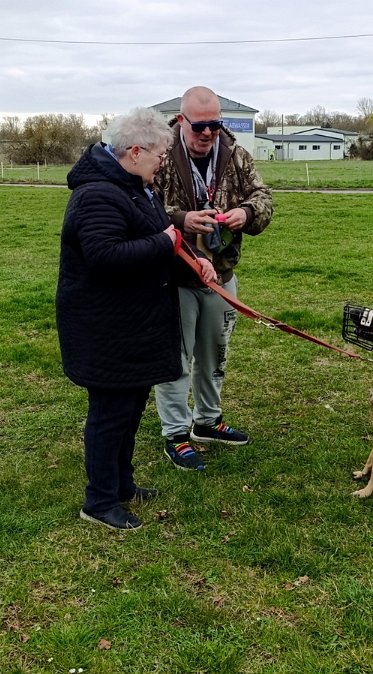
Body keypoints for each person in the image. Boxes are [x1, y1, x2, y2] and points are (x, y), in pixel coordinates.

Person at [57, 107, 215, 530]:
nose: (162, 163)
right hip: (106, 328)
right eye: (159, 156)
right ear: (134, 151)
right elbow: (105, 257)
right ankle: (100, 501)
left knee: (130, 410)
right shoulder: (97, 195)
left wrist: (193, 259)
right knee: (110, 416)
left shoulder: (133, 188)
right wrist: (165, 242)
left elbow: (160, 235)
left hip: (134, 325)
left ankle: (122, 485)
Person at [153, 86, 274, 470]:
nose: (208, 134)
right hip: (175, 275)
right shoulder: (159, 153)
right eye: (200, 126)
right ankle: (175, 432)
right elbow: (142, 206)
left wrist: (247, 214)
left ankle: (208, 421)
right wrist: (181, 219)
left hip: (220, 274)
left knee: (214, 352)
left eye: (215, 125)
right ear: (182, 120)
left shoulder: (235, 154)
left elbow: (264, 198)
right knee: (175, 357)